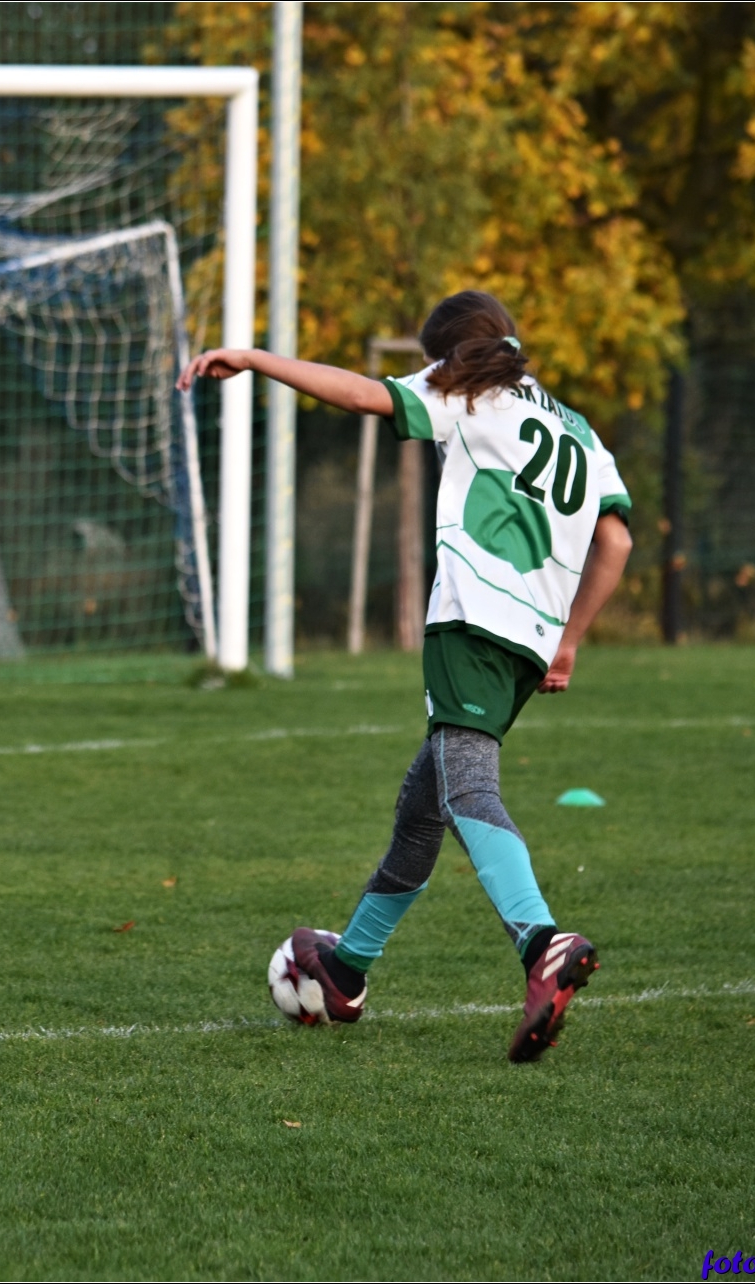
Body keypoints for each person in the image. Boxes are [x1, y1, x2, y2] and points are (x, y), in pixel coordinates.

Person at [179, 289, 634, 1063]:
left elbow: (363, 395)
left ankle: (542, 943)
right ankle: (347, 969)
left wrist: (254, 358)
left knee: (465, 787)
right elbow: (615, 541)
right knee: (424, 805)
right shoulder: (579, 429)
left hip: (472, 620)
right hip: (529, 641)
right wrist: (568, 642)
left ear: (446, 355)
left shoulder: (468, 389)